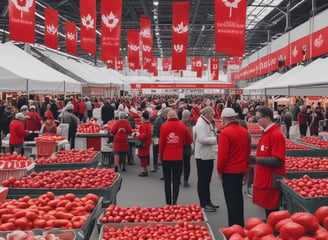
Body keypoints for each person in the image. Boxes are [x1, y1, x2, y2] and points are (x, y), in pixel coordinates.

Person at [250, 106, 286, 218]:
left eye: (258, 118)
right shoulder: (267, 133)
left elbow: (278, 160)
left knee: (272, 213)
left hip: (271, 180)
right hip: (265, 179)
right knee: (268, 212)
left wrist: (256, 159)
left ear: (267, 118)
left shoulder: (275, 135)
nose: (257, 121)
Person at [217, 108, 251, 227]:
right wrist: (247, 172)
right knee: (238, 198)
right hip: (241, 169)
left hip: (229, 171)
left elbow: (222, 156)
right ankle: (240, 224)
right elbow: (248, 153)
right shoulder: (245, 132)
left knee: (230, 200)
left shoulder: (225, 133)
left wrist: (219, 172)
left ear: (224, 118)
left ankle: (233, 226)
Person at [159, 110, 192, 205]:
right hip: (178, 156)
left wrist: (160, 156)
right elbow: (189, 140)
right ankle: (175, 200)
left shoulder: (164, 126)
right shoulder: (181, 125)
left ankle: (168, 202)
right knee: (176, 180)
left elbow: (161, 143)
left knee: (167, 180)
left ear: (168, 117)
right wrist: (182, 143)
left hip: (166, 157)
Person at [194, 106, 220, 212]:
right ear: (207, 114)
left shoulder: (206, 123)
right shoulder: (201, 124)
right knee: (203, 181)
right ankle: (204, 203)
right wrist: (216, 139)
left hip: (207, 155)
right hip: (203, 156)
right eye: (212, 114)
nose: (213, 116)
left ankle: (208, 201)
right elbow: (202, 139)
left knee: (206, 180)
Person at [151, 108, 172, 173]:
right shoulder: (159, 120)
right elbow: (159, 130)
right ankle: (155, 165)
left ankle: (156, 165)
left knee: (157, 152)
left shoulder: (160, 119)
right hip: (157, 138)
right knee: (156, 152)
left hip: (158, 137)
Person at [135, 111, 152, 177]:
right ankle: (145, 169)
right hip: (147, 142)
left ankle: (144, 171)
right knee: (145, 156)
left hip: (143, 143)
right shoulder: (148, 124)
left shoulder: (144, 125)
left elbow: (145, 135)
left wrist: (138, 136)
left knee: (143, 157)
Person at [180, 109, 194, 187]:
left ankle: (178, 178)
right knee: (187, 164)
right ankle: (186, 180)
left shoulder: (179, 123)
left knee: (179, 163)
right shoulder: (189, 125)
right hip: (187, 146)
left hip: (179, 146)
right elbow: (191, 138)